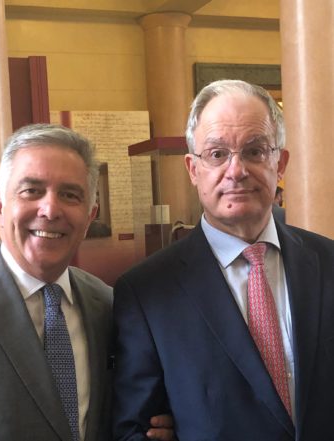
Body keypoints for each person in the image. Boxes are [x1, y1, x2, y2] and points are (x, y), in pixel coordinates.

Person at [113, 80, 334, 440]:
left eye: (255, 151)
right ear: (192, 169)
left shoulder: (328, 263)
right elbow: (134, 430)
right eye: (217, 154)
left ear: (280, 164)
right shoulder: (146, 293)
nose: (236, 170)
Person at [0, 124, 173, 441]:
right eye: (31, 190)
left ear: (90, 215)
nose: (51, 209)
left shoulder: (109, 305)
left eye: (70, 195)